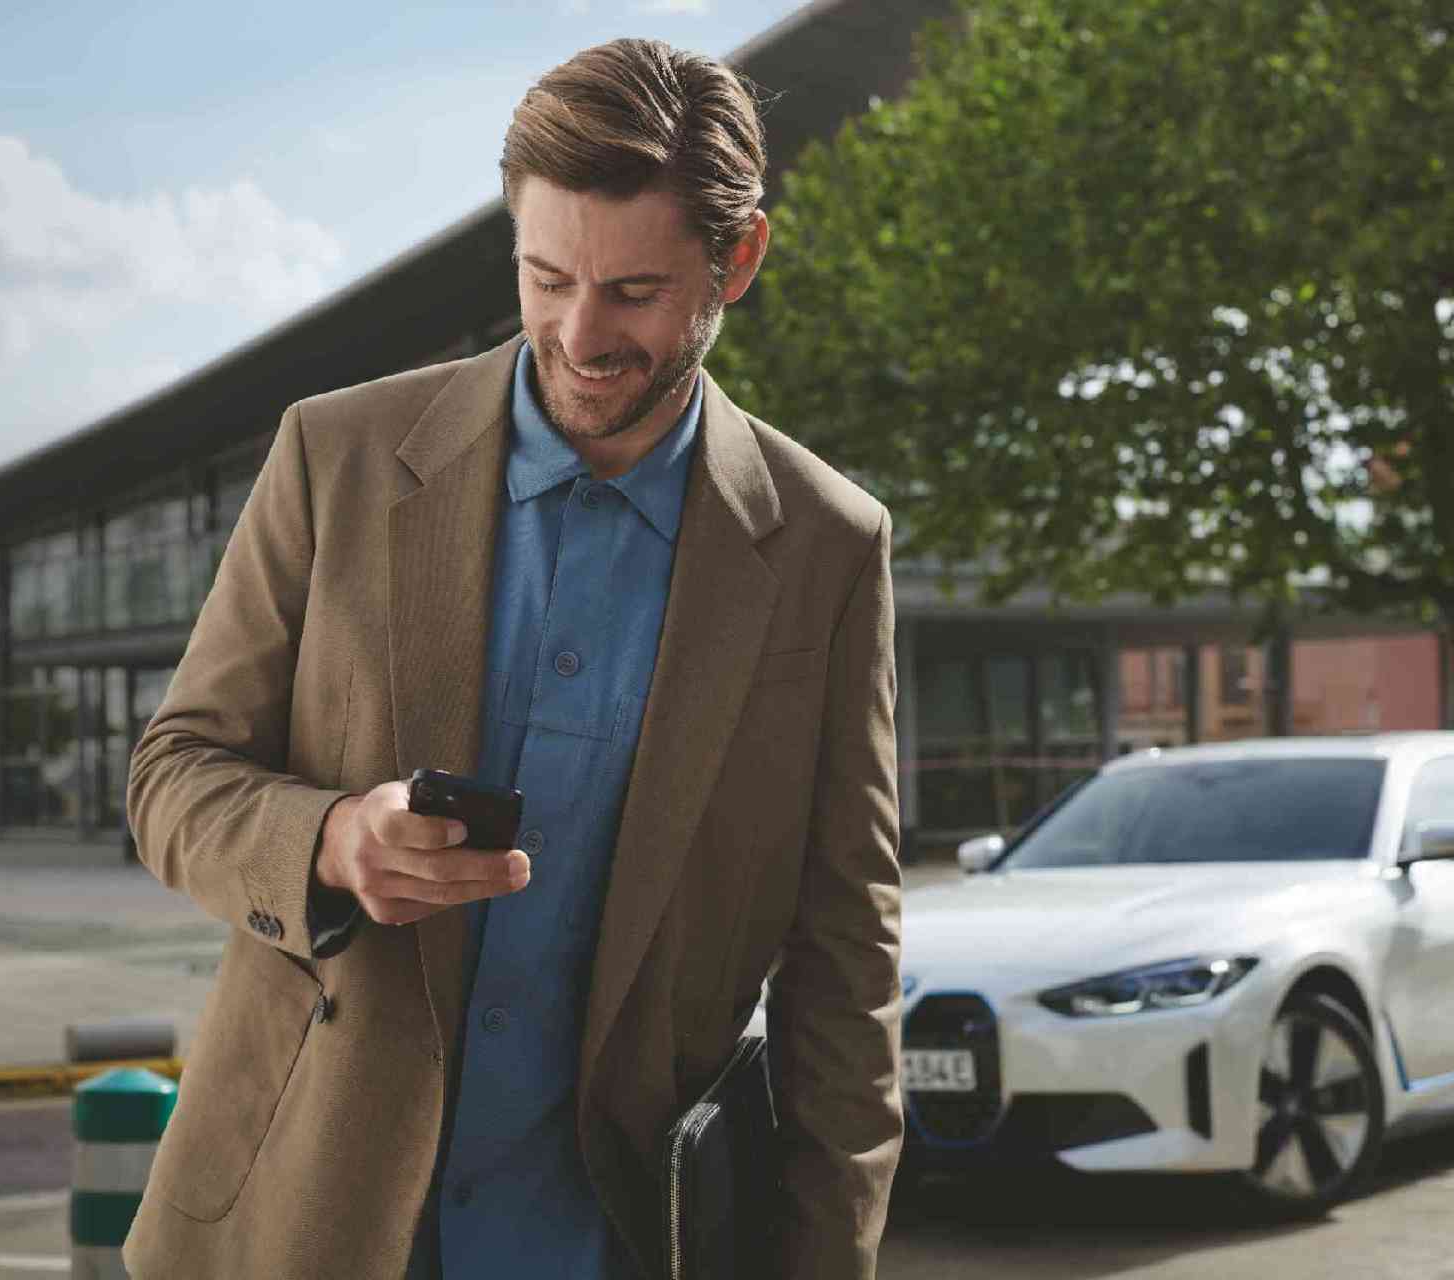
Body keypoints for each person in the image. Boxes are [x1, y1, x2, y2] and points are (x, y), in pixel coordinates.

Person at [122, 38, 903, 1280]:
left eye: (636, 292)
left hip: (618, 1236)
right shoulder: (337, 456)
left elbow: (846, 960)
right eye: (547, 278)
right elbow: (171, 775)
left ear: (737, 258)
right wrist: (329, 839)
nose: (580, 335)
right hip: (299, 1218)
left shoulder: (826, 548)